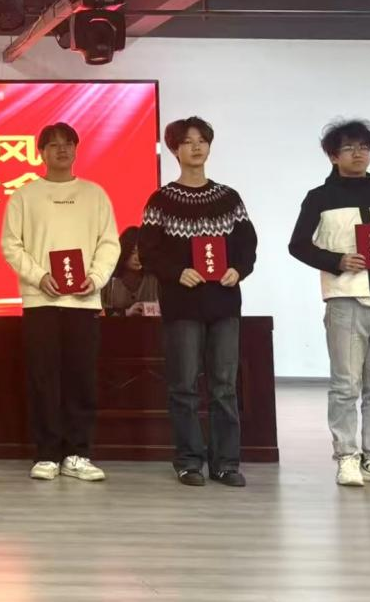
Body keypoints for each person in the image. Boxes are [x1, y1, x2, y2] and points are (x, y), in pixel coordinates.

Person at [288, 119, 370, 487]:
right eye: (349, 147)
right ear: (333, 156)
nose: (358, 153)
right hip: (345, 299)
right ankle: (346, 456)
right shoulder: (320, 198)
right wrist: (337, 260)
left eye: (364, 147)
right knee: (345, 385)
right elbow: (298, 245)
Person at [139, 117, 257, 487]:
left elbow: (247, 245)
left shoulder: (229, 198)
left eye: (202, 140)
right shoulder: (161, 200)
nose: (196, 147)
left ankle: (226, 463)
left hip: (224, 304)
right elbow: (148, 252)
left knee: (224, 386)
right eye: (187, 141)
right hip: (182, 306)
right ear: (174, 149)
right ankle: (188, 461)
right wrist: (177, 272)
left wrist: (239, 269)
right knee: (184, 386)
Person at [2, 122, 120, 482]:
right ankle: (47, 454)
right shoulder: (25, 196)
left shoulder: (95, 194)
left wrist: (95, 278)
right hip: (40, 301)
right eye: (53, 145)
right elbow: (11, 245)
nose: (61, 150)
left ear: (76, 149)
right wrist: (39, 276)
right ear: (41, 152)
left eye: (68, 143)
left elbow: (109, 243)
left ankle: (77, 454)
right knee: (43, 378)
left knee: (80, 379)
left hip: (83, 302)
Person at [101, 226, 159, 316]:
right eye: (132, 252)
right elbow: (100, 312)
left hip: (149, 324)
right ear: (124, 251)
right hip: (116, 325)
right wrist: (126, 313)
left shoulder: (153, 279)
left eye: (141, 252)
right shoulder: (108, 279)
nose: (137, 258)